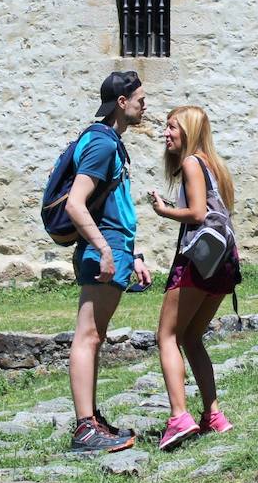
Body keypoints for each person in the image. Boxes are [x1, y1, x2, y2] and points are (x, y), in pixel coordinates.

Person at [66, 71, 153, 453]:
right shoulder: (102, 145)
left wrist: (131, 255)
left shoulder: (109, 142)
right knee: (87, 335)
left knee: (94, 336)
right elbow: (75, 203)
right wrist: (104, 249)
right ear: (122, 102)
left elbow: (113, 205)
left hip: (115, 247)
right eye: (139, 98)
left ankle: (92, 420)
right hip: (103, 249)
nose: (143, 104)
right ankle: (85, 428)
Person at [147, 105, 241, 451]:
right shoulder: (213, 165)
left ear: (187, 130)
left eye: (171, 127)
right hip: (223, 265)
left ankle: (178, 417)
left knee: (167, 335)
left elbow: (198, 213)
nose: (166, 133)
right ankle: (213, 415)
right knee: (192, 336)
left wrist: (164, 210)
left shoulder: (190, 163)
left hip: (197, 262)